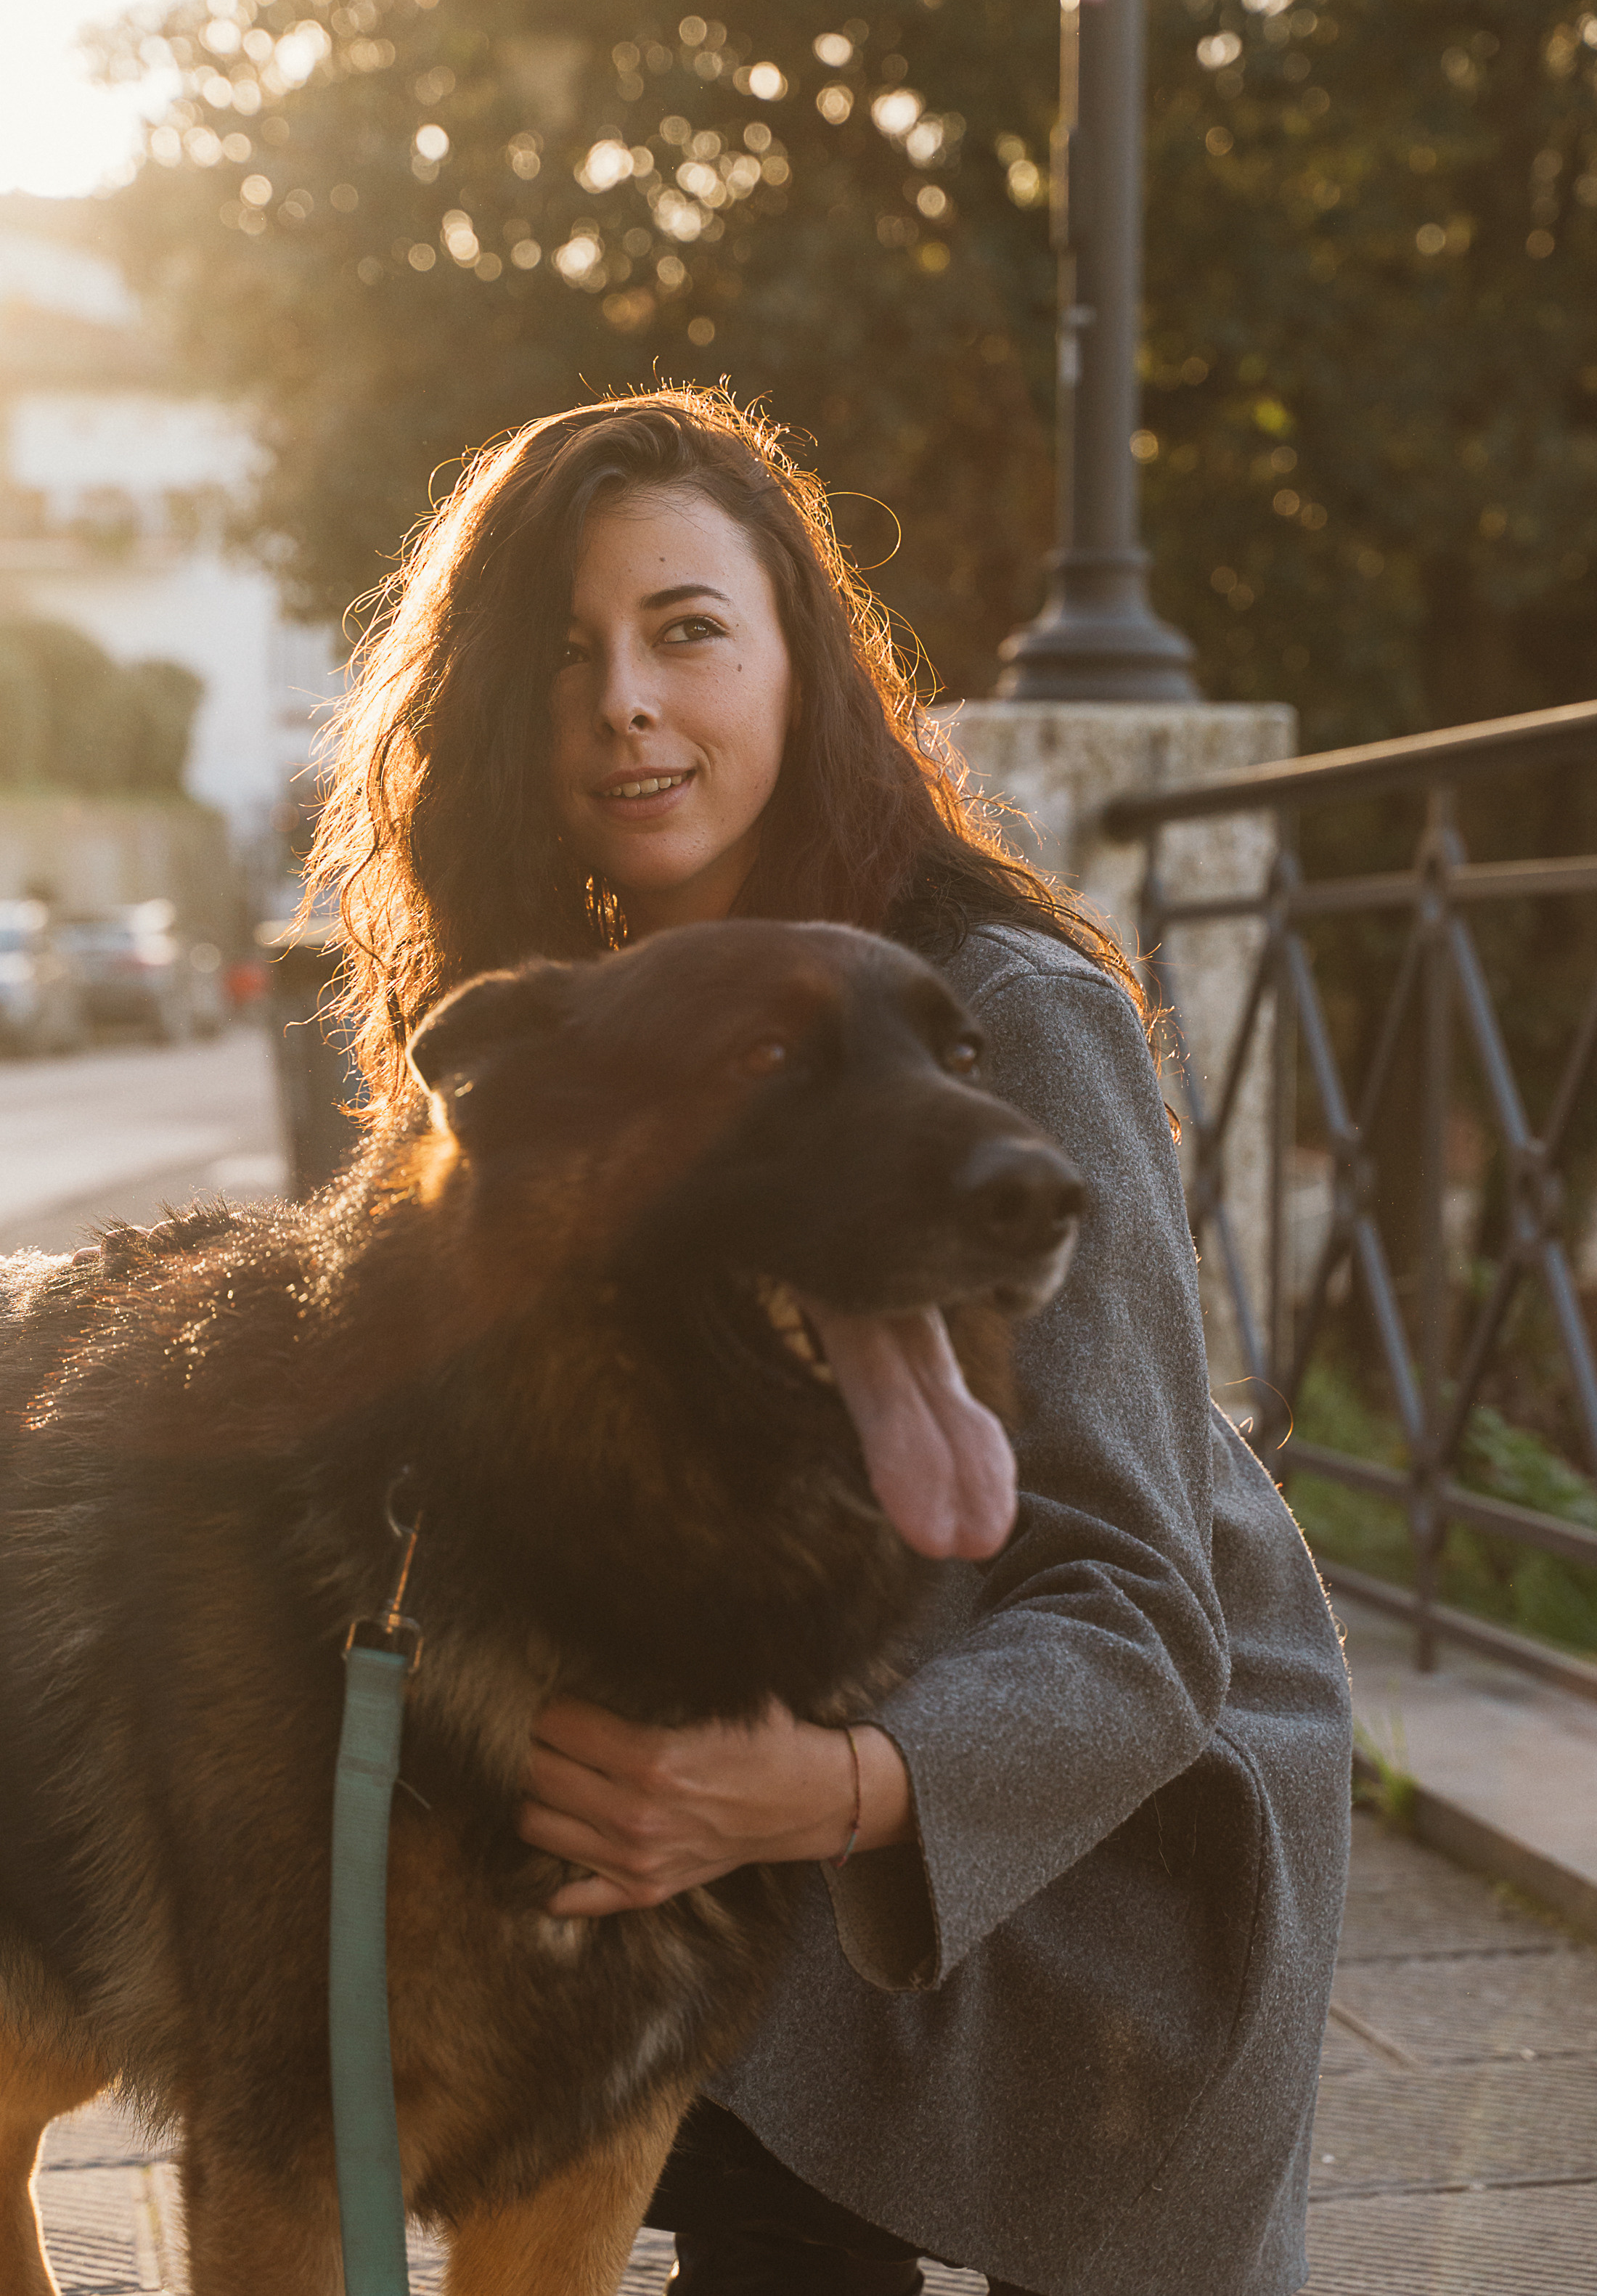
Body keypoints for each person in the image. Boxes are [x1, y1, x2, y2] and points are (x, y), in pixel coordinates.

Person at [303, 388, 1353, 2296]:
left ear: (804, 662)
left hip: (1080, 1841)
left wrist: (835, 1790)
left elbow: (1138, 1609)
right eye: (565, 651)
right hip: (728, 1818)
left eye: (687, 630)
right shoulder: (564, 1041)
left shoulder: (999, 1011)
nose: (626, 701)